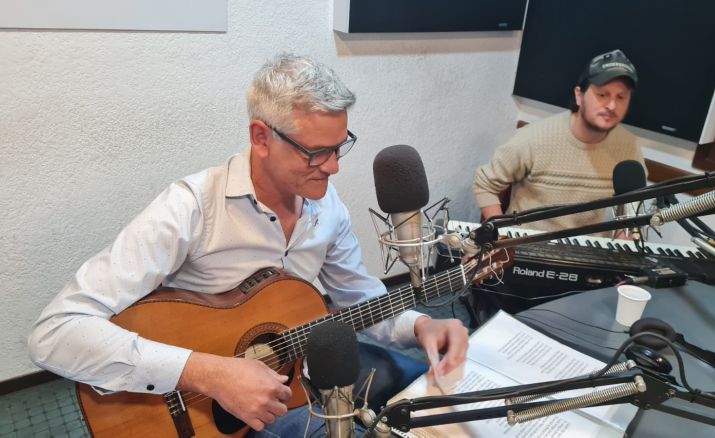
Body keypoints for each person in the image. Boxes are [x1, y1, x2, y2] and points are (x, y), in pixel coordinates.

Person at [28, 53, 468, 436]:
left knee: (429, 399)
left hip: (302, 370)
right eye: (316, 152)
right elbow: (55, 333)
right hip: (205, 409)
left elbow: (359, 298)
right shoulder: (191, 208)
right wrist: (208, 372)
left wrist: (419, 327)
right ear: (261, 138)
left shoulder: (326, 205)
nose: (333, 168)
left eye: (340, 147)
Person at [473, 49, 646, 232]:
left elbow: (631, 209)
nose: (612, 106)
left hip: (586, 252)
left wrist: (624, 237)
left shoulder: (629, 146)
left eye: (621, 97)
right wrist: (499, 236)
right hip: (527, 246)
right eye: (602, 95)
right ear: (579, 96)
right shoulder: (534, 137)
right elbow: (485, 184)